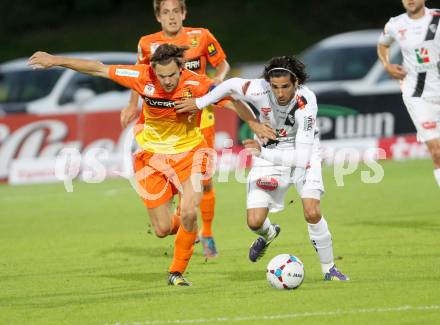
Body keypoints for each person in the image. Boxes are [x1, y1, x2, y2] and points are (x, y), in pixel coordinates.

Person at [28, 44, 273, 286]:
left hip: (191, 154)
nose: (167, 81)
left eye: (172, 75)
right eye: (162, 76)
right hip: (152, 159)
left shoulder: (197, 83)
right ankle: (187, 228)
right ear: (153, 70)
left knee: (188, 210)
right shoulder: (141, 76)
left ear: (181, 69)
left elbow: (231, 100)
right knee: (163, 229)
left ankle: (176, 272)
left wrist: (254, 124)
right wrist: (55, 59)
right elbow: (98, 69)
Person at [175, 55, 349, 281]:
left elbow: (301, 157)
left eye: (285, 86)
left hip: (301, 152)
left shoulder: (306, 102)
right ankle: (268, 233)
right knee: (254, 221)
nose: (279, 93)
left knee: (312, 211)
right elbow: (228, 85)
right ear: (268, 83)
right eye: (274, 87)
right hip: (268, 149)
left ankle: (330, 269)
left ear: (296, 83)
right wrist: (199, 103)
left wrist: (262, 152)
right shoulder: (257, 88)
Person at [121, 0, 231, 257]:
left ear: (184, 13)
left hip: (200, 115)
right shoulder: (147, 43)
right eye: (165, 12)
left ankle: (207, 232)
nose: (171, 17)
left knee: (203, 179)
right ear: (158, 17)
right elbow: (139, 76)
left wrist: (218, 82)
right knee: (167, 166)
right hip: (164, 117)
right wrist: (131, 106)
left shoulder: (201, 36)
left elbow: (223, 64)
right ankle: (184, 225)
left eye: (175, 11)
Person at [378, 0, 440, 187]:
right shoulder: (395, 24)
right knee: (437, 152)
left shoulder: (437, 17)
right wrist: (387, 65)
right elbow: (383, 45)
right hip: (418, 96)